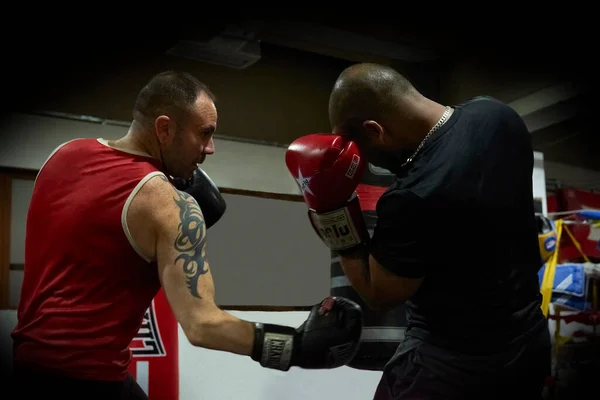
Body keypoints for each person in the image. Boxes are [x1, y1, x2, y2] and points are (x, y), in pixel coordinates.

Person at [10, 70, 363, 399]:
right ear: (164, 129)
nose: (210, 148)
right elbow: (201, 325)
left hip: (26, 370)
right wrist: (295, 345)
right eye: (205, 133)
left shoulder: (63, 155)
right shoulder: (167, 203)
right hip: (90, 380)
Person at [285, 63, 552, 399]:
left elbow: (379, 294)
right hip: (528, 342)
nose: (366, 162)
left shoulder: (413, 196)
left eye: (364, 152)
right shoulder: (499, 115)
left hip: (453, 365)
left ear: (375, 131)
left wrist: (331, 210)